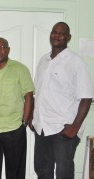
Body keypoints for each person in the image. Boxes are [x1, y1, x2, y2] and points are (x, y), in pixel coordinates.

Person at [32, 22, 94, 179]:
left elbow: (86, 97)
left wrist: (75, 127)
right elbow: (37, 92)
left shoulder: (76, 62)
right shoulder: (43, 61)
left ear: (69, 37)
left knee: (63, 173)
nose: (57, 35)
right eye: (54, 32)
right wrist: (34, 117)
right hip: (42, 128)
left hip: (63, 129)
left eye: (62, 33)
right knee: (42, 170)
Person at [0, 37, 34, 179]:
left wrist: (24, 122)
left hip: (13, 126)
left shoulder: (20, 69)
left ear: (8, 50)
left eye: (2, 47)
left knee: (15, 169)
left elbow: (28, 96)